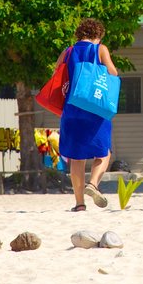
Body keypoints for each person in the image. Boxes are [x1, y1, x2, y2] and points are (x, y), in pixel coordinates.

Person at [58, 18, 117, 212]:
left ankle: (79, 203)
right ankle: (93, 183)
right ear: (98, 35)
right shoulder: (100, 49)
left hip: (72, 108)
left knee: (76, 158)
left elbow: (57, 73)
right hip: (95, 108)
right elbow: (112, 73)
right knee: (104, 153)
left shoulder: (68, 51)